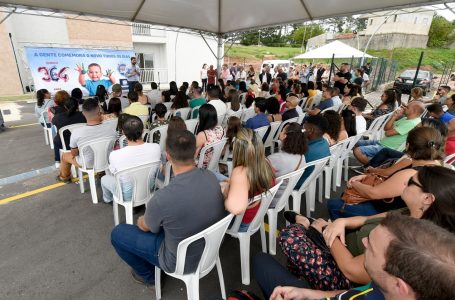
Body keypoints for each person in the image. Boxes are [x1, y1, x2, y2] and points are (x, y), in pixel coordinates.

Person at [275, 165, 455, 294]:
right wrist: (341, 224)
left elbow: (351, 270)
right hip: (341, 243)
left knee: (289, 236)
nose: (404, 183)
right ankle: (306, 231)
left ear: (427, 199)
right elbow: (365, 219)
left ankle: (303, 224)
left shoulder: (412, 243)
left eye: (410, 182)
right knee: (313, 229)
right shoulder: (407, 213)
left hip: (341, 273)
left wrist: (327, 231)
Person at [111, 130, 227, 285]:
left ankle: (149, 276)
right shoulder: (211, 177)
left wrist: (141, 220)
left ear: (168, 156)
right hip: (210, 249)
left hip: (178, 262)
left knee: (118, 233)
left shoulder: (162, 198)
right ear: (195, 152)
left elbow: (146, 227)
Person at [255, 213, 455, 300]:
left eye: (371, 247)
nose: (364, 243)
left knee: (260, 261)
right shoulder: (385, 284)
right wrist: (310, 294)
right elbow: (353, 293)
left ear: (399, 286)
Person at [329, 126, 444, 219]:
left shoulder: (411, 173)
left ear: (408, 145)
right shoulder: (441, 166)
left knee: (333, 204)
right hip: (404, 213)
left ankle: (344, 234)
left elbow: (373, 193)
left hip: (385, 213)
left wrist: (355, 183)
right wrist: (365, 176)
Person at [222, 128, 275, 231]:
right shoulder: (265, 162)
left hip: (240, 222)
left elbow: (235, 209)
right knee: (217, 176)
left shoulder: (240, 172)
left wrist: (225, 191)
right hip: (256, 215)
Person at [101, 115, 161, 203]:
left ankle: (108, 200)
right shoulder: (156, 148)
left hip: (127, 196)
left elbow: (114, 173)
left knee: (104, 178)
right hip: (149, 188)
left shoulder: (115, 155)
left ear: (123, 133)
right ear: (143, 130)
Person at [57, 98, 117, 182]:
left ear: (83, 114)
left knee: (64, 156)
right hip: (107, 160)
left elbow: (74, 153)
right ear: (100, 112)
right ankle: (101, 172)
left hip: (87, 164)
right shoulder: (111, 128)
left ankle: (64, 177)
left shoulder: (77, 132)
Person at [353, 101, 425, 165]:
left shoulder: (411, 123)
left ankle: (370, 168)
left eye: (407, 107)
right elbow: (386, 129)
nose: (404, 107)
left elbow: (387, 133)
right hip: (382, 142)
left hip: (387, 147)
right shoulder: (408, 118)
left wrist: (390, 129)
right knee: (354, 143)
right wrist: (394, 116)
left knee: (357, 151)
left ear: (414, 111)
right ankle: (372, 164)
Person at [267, 123, 307, 206]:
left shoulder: (276, 158)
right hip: (284, 195)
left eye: (282, 130)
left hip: (269, 199)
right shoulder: (302, 157)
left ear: (285, 135)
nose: (280, 132)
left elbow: (259, 179)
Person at [294, 115, 331, 189]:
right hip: (310, 179)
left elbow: (289, 169)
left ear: (311, 130)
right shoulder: (324, 142)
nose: (302, 129)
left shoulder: (305, 152)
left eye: (304, 128)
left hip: (297, 183)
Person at [52, 96, 87, 164]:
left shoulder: (57, 117)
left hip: (64, 144)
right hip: (81, 143)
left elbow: (53, 122)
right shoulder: (84, 115)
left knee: (56, 139)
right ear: (78, 105)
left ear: (65, 106)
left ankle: (57, 160)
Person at [195, 104, 225, 168]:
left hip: (201, 165)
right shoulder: (221, 129)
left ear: (202, 118)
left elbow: (194, 155)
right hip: (214, 162)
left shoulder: (203, 135)